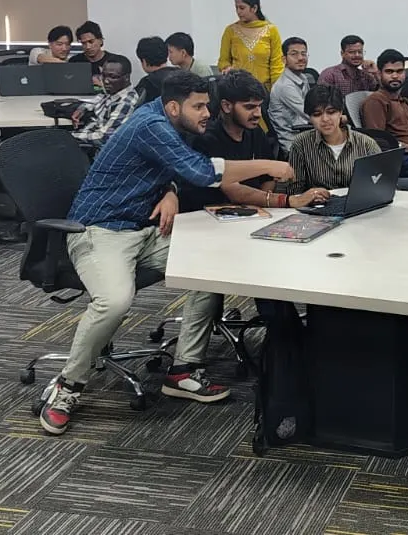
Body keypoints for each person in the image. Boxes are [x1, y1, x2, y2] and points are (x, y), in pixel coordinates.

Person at [39, 71, 294, 435]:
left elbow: (173, 168)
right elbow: (202, 172)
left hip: (144, 230)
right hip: (100, 231)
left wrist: (171, 191)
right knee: (114, 301)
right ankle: (67, 386)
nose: (207, 113)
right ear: (174, 107)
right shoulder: (151, 125)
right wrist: (269, 166)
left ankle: (184, 370)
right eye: (199, 106)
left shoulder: (170, 123)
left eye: (207, 105)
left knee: (209, 263)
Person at [172, 70, 327, 403]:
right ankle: (189, 365)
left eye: (259, 106)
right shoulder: (208, 138)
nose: (257, 113)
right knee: (246, 266)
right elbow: (232, 189)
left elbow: (266, 178)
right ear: (226, 106)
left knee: (290, 248)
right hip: (204, 223)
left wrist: (269, 199)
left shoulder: (255, 133)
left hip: (245, 218)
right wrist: (284, 201)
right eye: (250, 107)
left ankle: (290, 339)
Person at [283, 85, 381, 193]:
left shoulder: (366, 144)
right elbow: (294, 190)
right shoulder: (301, 144)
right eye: (317, 114)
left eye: (331, 112)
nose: (325, 119)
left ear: (340, 112)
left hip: (359, 201)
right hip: (318, 202)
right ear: (310, 118)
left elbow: (380, 184)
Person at [362, 49, 408, 180]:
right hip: (398, 158)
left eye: (399, 71)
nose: (395, 76)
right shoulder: (375, 101)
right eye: (389, 72)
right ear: (379, 74)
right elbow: (380, 143)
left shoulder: (405, 102)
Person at [218, 0, 283, 88]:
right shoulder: (230, 31)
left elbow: (277, 64)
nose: (238, 12)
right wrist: (226, 68)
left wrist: (276, 89)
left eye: (242, 8)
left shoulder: (271, 30)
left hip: (264, 89)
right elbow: (223, 60)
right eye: (236, 8)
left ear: (254, 8)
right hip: (237, 88)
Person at [71, 59, 137, 146]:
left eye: (112, 77)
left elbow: (104, 138)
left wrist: (70, 136)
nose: (106, 81)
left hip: (93, 147)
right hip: (87, 133)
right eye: (103, 76)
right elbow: (96, 100)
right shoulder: (114, 92)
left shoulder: (124, 103)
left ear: (126, 77)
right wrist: (81, 109)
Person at [269, 37, 312, 150]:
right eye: (294, 54)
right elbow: (309, 114)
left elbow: (312, 107)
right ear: (284, 59)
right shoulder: (285, 86)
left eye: (303, 54)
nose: (300, 58)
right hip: (293, 142)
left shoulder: (303, 78)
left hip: (306, 133)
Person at [69, 21, 132, 91]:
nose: (88, 47)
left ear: (101, 40)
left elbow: (125, 88)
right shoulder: (74, 61)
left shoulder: (114, 62)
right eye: (84, 43)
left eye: (91, 42)